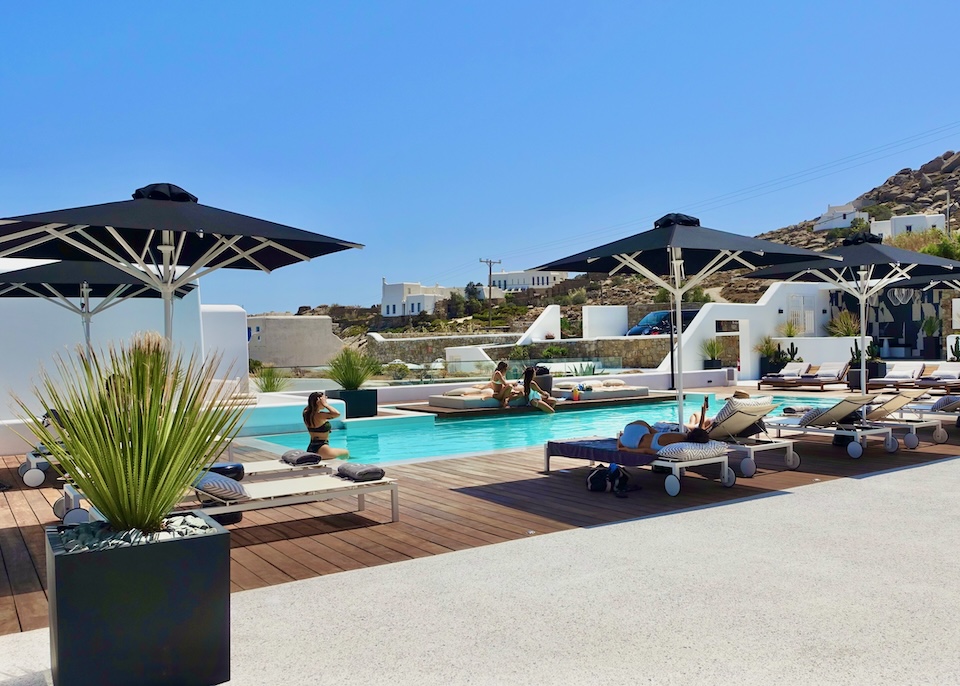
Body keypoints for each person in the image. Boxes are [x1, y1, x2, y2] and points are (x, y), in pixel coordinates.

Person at [302, 391, 349, 459]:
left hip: (311, 447)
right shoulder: (319, 416)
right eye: (324, 400)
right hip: (322, 448)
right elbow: (337, 414)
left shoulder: (306, 413)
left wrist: (317, 401)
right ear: (318, 402)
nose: (325, 401)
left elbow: (311, 406)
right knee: (345, 453)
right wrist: (325, 404)